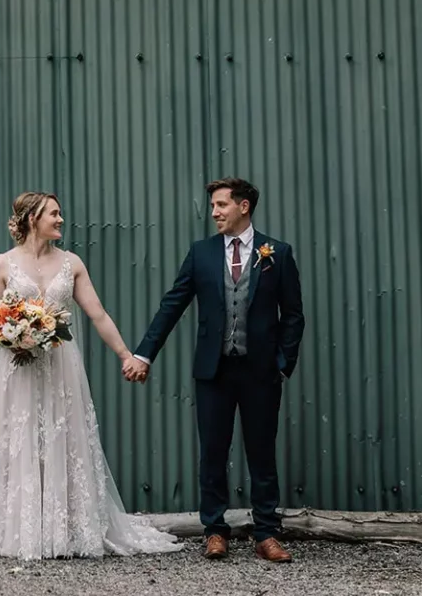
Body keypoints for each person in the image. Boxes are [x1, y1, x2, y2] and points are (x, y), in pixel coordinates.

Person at [0, 191, 182, 560]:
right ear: (32, 219)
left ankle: (68, 526)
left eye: (60, 214)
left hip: (61, 366)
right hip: (17, 368)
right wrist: (15, 337)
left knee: (64, 437)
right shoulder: (1, 265)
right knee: (19, 439)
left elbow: (98, 315)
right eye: (53, 214)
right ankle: (17, 525)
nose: (60, 219)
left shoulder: (71, 263)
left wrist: (126, 355)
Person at [125, 177, 305, 562]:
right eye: (212, 207)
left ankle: (267, 533)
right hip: (213, 371)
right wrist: (144, 353)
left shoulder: (278, 253)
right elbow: (172, 304)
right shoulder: (201, 253)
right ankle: (214, 530)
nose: (214, 213)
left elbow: (293, 316)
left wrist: (282, 364)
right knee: (212, 452)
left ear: (244, 207)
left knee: (261, 453)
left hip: (260, 373)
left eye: (221, 205)